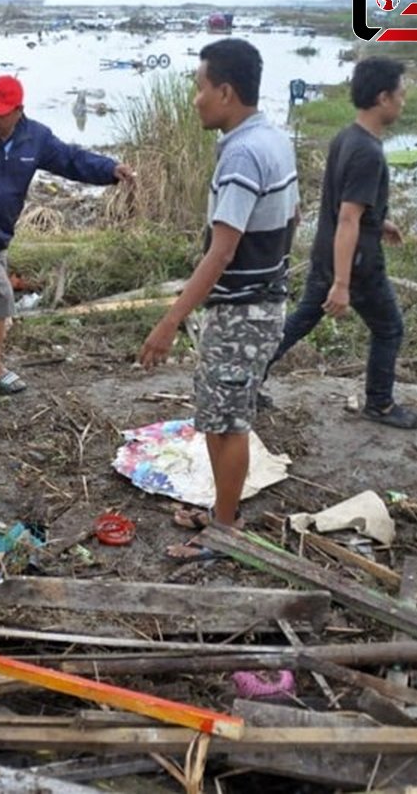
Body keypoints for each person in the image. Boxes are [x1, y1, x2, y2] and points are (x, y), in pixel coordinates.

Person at [137, 39, 299, 562]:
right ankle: (224, 512)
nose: (195, 98)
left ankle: (225, 532)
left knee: (226, 422)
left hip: (241, 311)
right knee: (224, 414)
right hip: (263, 301)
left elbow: (221, 251)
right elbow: (292, 218)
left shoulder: (244, 153)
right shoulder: (273, 137)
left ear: (225, 92)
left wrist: (168, 323)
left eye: (199, 87)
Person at [0, 74, 133, 393]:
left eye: (0, 112)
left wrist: (110, 170)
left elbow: (71, 160)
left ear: (19, 110)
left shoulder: (36, 139)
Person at [265, 57, 417, 430]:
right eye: (401, 94)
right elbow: (348, 217)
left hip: (328, 251)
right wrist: (342, 283)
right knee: (389, 328)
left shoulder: (346, 137)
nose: (404, 102)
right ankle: (380, 405)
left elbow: (346, 207)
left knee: (301, 321)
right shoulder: (367, 151)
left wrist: (379, 222)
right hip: (355, 262)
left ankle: (245, 380)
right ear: (383, 97)